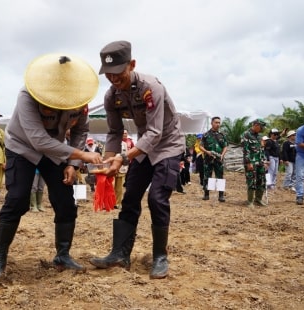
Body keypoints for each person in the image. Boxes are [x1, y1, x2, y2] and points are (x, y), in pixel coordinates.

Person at [0, 53, 102, 281]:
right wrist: (80, 154)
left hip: (56, 151)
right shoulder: (27, 95)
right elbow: (38, 140)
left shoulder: (79, 99)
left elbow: (80, 131)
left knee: (66, 201)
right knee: (17, 199)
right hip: (22, 148)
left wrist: (73, 164)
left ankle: (63, 255)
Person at [89, 40, 186, 279]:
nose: (113, 78)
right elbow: (113, 132)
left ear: (131, 65)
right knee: (130, 196)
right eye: (108, 74)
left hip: (167, 147)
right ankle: (119, 254)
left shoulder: (151, 87)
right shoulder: (111, 96)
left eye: (118, 72)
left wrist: (122, 157)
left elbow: (156, 133)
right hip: (144, 149)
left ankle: (160, 257)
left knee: (157, 198)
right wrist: (107, 162)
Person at [199, 116, 228, 202]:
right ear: (212, 123)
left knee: (220, 177)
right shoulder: (206, 134)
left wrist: (222, 155)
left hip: (219, 160)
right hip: (208, 159)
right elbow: (200, 146)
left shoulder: (222, 135)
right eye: (216, 122)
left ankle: (221, 195)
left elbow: (225, 146)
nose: (218, 124)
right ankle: (206, 194)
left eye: (219, 122)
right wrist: (207, 151)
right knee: (207, 176)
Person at [241, 118, 268, 207]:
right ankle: (250, 201)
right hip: (251, 162)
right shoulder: (246, 134)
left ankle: (258, 199)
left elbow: (261, 149)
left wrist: (264, 161)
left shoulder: (259, 136)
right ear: (256, 125)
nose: (262, 129)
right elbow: (245, 150)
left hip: (260, 162)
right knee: (251, 181)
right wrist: (248, 163)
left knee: (261, 181)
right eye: (261, 127)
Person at [114, 140, 129, 208]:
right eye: (123, 133)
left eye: (126, 133)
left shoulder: (125, 144)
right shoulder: (112, 142)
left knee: (119, 187)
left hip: (121, 168)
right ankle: (109, 202)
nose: (124, 135)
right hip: (112, 168)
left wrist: (125, 167)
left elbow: (126, 156)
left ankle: (117, 203)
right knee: (111, 186)